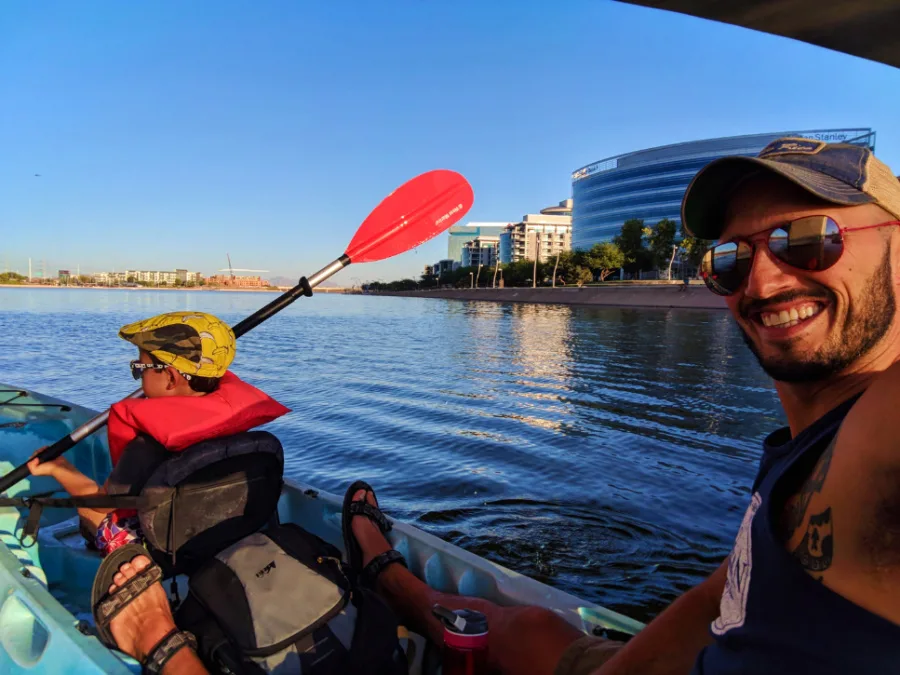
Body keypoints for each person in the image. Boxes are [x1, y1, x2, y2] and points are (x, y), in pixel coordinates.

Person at [102, 138, 900, 674]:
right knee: (526, 630)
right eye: (730, 257)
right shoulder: (810, 443)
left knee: (167, 638)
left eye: (808, 239)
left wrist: (165, 644)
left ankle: (179, 641)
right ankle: (396, 583)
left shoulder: (877, 433)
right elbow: (731, 586)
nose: (761, 281)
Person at [27, 310, 289, 556]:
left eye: (139, 368)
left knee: (87, 510)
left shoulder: (145, 449)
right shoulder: (235, 424)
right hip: (222, 531)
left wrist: (60, 469)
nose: (138, 377)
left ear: (172, 378)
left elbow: (101, 504)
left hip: (161, 550)